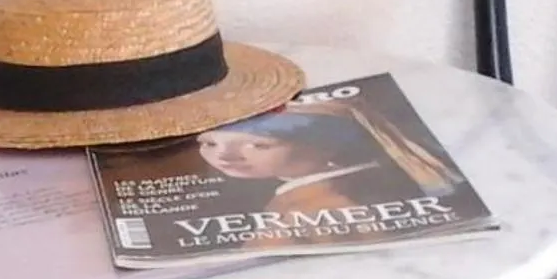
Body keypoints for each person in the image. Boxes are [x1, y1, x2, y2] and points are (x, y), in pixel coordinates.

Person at [195, 98, 464, 217]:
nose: (225, 156)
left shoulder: (319, 202)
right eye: (208, 142)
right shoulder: (299, 195)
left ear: (324, 145)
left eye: (258, 145)